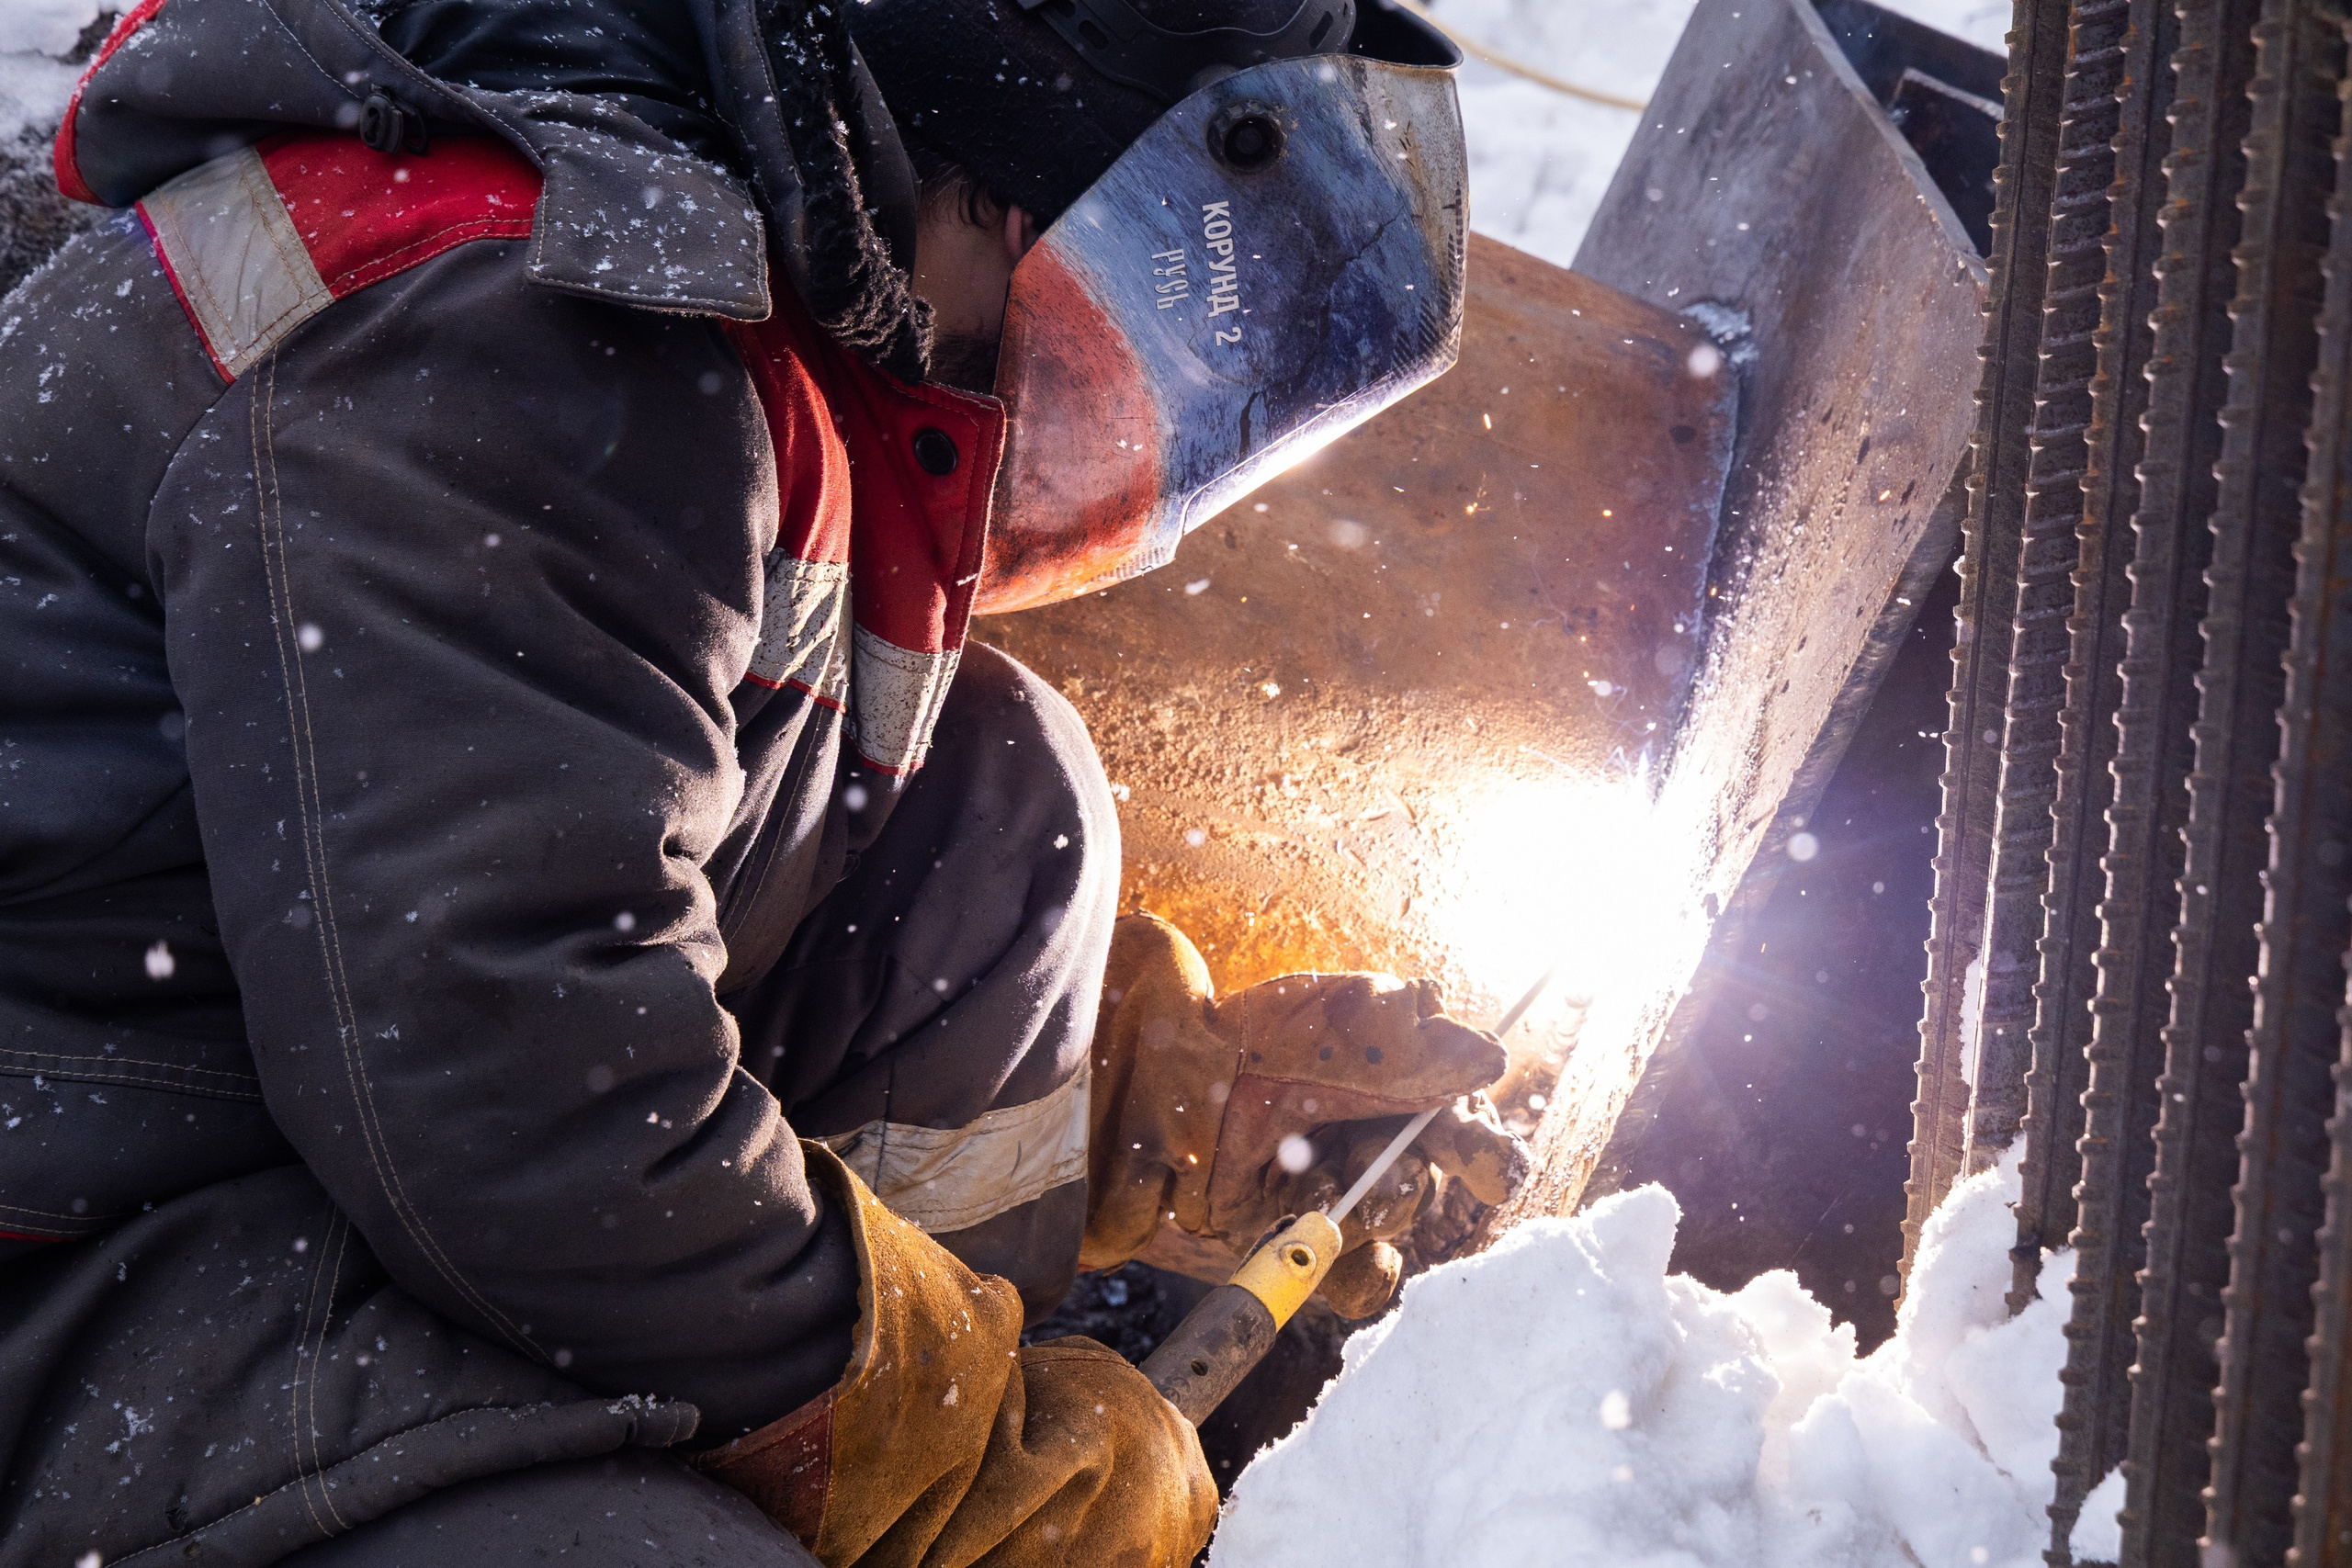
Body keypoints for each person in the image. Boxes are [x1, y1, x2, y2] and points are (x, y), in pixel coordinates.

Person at [0, 0, 1521, 1562]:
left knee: (995, 809)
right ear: (995, 195)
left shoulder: (718, 342)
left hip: (301, 1122)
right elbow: (505, 1068)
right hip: (77, 1252)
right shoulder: (525, 320)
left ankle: (769, 1406)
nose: (1056, 437)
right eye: (1100, 364)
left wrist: (1157, 1110)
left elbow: (627, 835)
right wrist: (952, 1449)